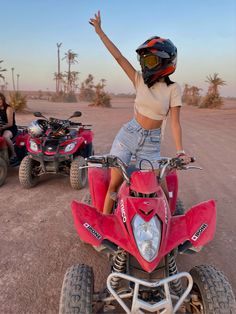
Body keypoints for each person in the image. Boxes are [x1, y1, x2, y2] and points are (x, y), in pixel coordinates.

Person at [89, 11, 191, 215]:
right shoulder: (138, 80)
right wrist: (100, 32)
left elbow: (175, 123)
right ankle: (106, 223)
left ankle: (167, 226)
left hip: (151, 143)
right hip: (128, 135)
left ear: (165, 62)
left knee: (158, 188)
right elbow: (119, 57)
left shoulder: (173, 89)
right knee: (114, 186)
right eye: (144, 61)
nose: (145, 66)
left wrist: (180, 152)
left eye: (151, 61)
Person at [0, 93, 18, 161]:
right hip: (1, 127)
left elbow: (10, 123)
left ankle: (14, 154)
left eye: (0, 99)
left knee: (5, 137)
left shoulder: (8, 108)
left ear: (3, 100)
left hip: (10, 128)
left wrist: (1, 128)